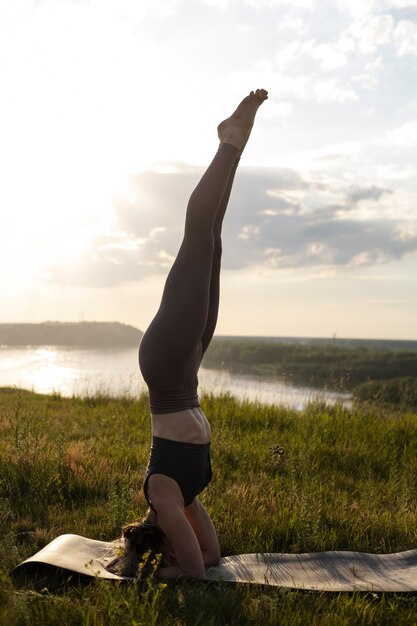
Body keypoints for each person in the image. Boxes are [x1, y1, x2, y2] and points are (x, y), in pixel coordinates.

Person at [109, 89, 268, 580]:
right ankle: (235, 146)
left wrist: (161, 574)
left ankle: (229, 143)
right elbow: (214, 558)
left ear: (164, 544)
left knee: (196, 237)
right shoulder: (187, 497)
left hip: (166, 364)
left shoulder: (161, 492)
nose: (187, 545)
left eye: (175, 549)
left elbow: (197, 572)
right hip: (187, 368)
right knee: (212, 242)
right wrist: (181, 564)